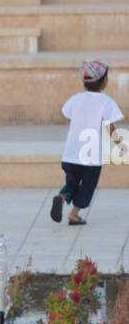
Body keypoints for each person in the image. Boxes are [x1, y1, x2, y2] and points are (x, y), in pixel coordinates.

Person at [51, 58, 125, 226]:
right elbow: (109, 125)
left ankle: (61, 197)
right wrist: (119, 144)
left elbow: (68, 117)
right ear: (104, 81)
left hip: (71, 153)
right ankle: (74, 215)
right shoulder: (105, 102)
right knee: (87, 186)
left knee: (72, 182)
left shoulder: (75, 98)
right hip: (91, 156)